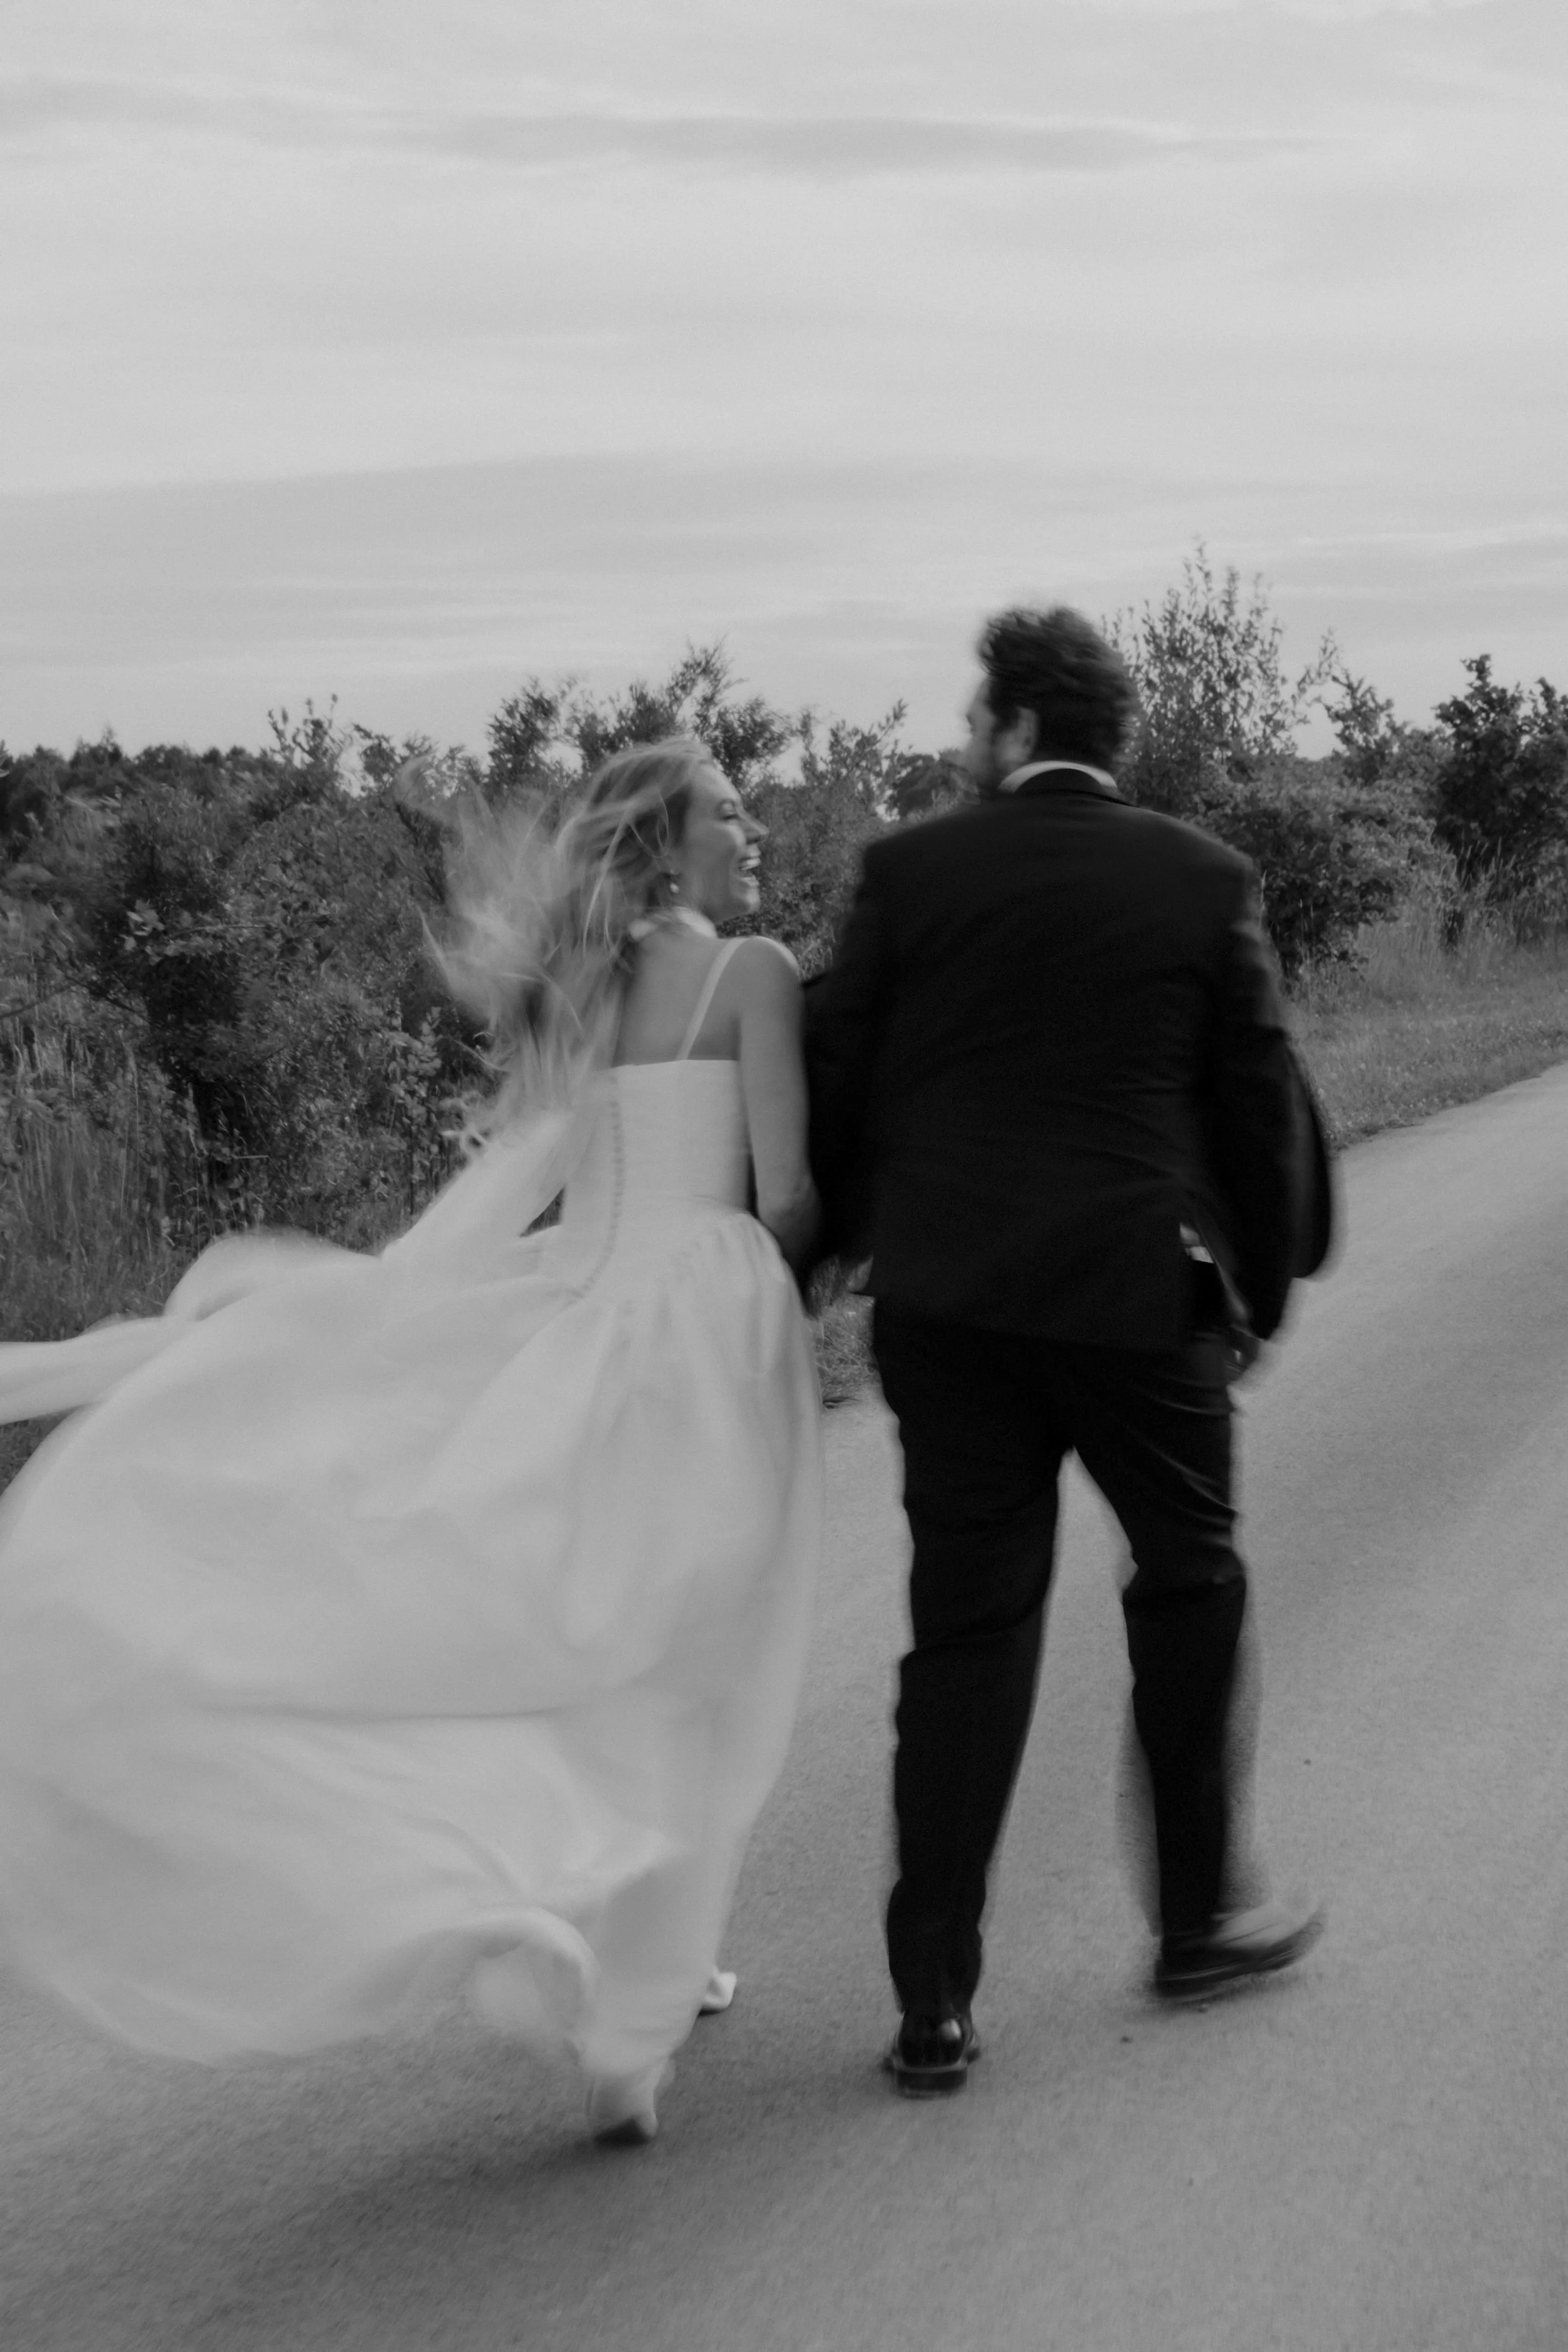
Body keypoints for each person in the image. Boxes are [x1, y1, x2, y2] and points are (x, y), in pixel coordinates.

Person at [0, 737, 821, 2148]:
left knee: (574, 1646)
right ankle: (637, 1988)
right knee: (688, 1660)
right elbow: (791, 1190)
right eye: (727, 812)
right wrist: (793, 1277)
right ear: (667, 843)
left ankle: (595, 1938)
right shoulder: (751, 974)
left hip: (577, 1315)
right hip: (700, 1326)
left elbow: (560, 1174)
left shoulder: (583, 984)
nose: (749, 828)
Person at [806, 607, 1326, 2099]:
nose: (968, 740)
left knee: (965, 1635)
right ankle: (1197, 1920)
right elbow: (1252, 1106)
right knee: (1189, 1581)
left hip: (950, 1313)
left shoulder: (909, 873)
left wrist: (823, 1258)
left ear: (1022, 728)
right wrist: (1260, 1296)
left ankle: (932, 2002)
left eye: (980, 717)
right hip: (1133, 1313)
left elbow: (841, 1084)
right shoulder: (1197, 877)